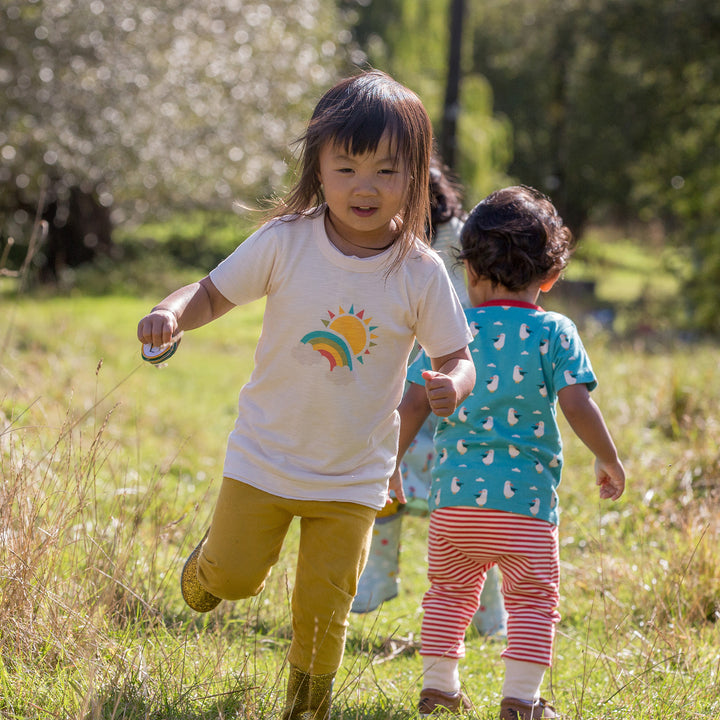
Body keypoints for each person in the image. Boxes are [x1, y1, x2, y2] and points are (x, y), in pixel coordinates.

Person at [136, 70, 476, 720]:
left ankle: (305, 709)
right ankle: (206, 568)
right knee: (235, 578)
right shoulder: (285, 241)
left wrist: (450, 385)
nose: (365, 186)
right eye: (346, 167)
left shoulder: (419, 272)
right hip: (265, 456)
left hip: (353, 477)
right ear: (317, 166)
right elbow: (210, 291)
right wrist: (170, 312)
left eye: (386, 169)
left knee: (324, 612)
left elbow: (456, 355)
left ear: (416, 176)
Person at [391, 185, 626, 719]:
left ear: (469, 273)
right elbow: (577, 404)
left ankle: (438, 688)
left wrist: (391, 468)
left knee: (447, 595)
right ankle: (521, 701)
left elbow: (411, 405)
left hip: (454, 505)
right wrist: (609, 458)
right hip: (526, 510)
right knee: (532, 603)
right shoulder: (554, 331)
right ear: (551, 277)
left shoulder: (452, 331)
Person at [351, 156, 508, 640]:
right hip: (406, 388)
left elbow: (466, 315)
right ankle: (377, 579)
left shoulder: (460, 243)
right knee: (394, 486)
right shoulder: (382, 244)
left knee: (463, 510)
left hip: (449, 389)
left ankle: (487, 613)